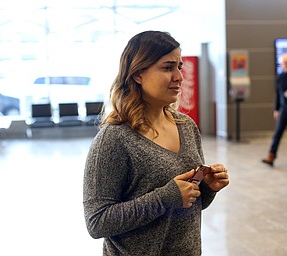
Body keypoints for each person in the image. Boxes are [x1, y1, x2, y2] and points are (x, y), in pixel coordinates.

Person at [83, 30, 230, 256]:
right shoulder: (115, 138)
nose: (179, 77)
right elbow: (97, 222)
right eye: (167, 67)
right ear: (138, 74)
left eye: (179, 67)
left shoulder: (186, 126)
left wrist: (207, 188)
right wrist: (165, 197)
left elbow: (187, 203)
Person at [262, 54, 287, 166]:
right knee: (277, 133)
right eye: (284, 63)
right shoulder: (280, 76)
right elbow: (278, 94)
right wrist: (276, 109)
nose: (285, 65)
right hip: (284, 109)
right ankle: (271, 156)